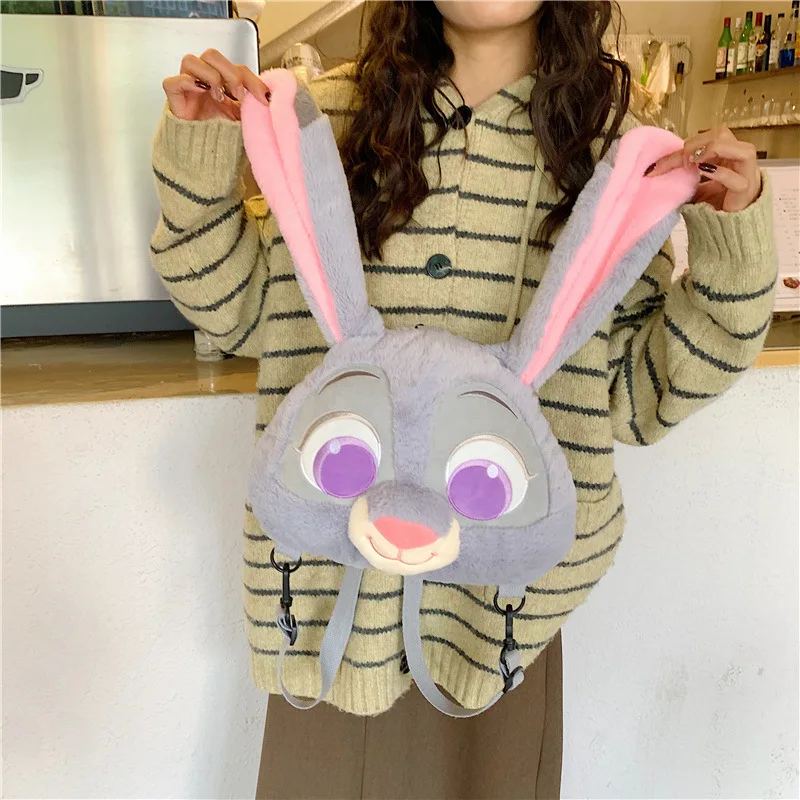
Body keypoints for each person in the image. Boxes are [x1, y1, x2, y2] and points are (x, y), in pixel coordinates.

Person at [152, 2, 775, 797]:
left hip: (499, 626)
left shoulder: (618, 160)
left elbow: (639, 395)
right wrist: (203, 155)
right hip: (327, 608)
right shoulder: (322, 120)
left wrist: (732, 245)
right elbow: (238, 313)